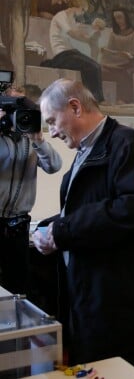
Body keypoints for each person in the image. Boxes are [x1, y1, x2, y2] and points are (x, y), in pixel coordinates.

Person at [32, 78, 134, 378]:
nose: (53, 132)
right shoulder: (88, 149)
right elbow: (87, 208)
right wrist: (50, 228)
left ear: (75, 106)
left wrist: (62, 231)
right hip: (94, 295)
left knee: (126, 371)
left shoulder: (128, 144)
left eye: (53, 121)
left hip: (123, 303)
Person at [0, 90, 62, 297]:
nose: (19, 115)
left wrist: (39, 140)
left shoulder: (30, 140)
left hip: (18, 225)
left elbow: (54, 165)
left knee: (18, 288)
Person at [40, 0, 105, 103]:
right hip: (62, 55)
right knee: (93, 67)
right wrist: (87, 38)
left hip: (70, 53)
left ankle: (94, 98)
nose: (83, 13)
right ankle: (96, 99)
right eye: (83, 9)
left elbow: (77, 37)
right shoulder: (61, 16)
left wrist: (90, 38)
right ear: (77, 7)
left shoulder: (71, 20)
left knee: (95, 66)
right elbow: (72, 33)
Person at [100, 7, 134, 104]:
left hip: (128, 63)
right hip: (113, 62)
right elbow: (110, 51)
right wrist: (106, 51)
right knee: (100, 70)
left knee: (123, 73)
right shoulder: (113, 34)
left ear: (126, 17)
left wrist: (128, 55)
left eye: (120, 17)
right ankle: (102, 98)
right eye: (115, 18)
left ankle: (123, 99)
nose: (118, 21)